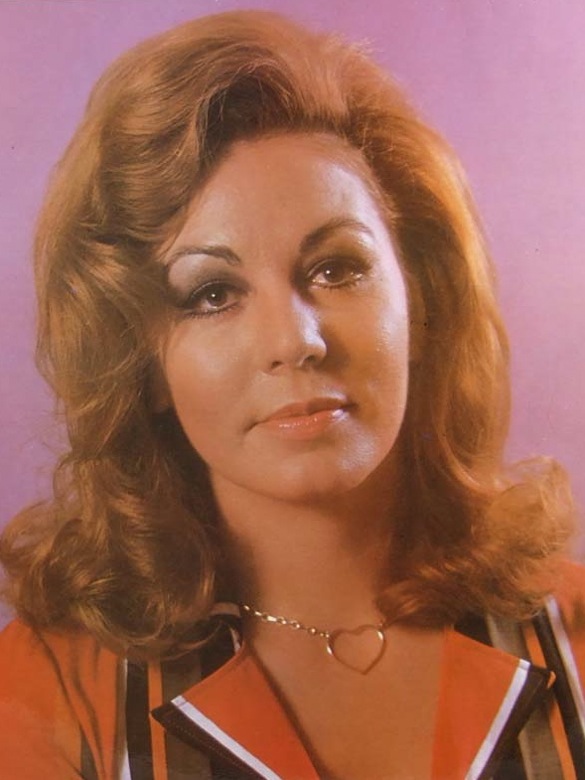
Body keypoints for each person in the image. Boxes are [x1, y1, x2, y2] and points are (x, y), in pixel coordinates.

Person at [0, 9, 583, 779]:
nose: (294, 339)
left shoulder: (575, 631)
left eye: (336, 268)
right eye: (212, 294)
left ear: (421, 302)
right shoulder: (48, 686)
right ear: (141, 366)